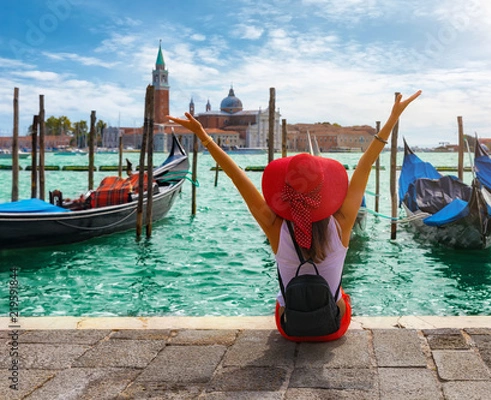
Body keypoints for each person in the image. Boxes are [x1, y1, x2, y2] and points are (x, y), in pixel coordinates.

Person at [167, 90, 421, 341]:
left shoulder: (275, 227)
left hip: (290, 328)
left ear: (285, 191)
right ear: (325, 193)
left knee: (285, 295)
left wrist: (203, 135)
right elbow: (365, 165)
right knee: (341, 292)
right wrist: (393, 118)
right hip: (332, 329)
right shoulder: (342, 224)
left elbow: (237, 177)